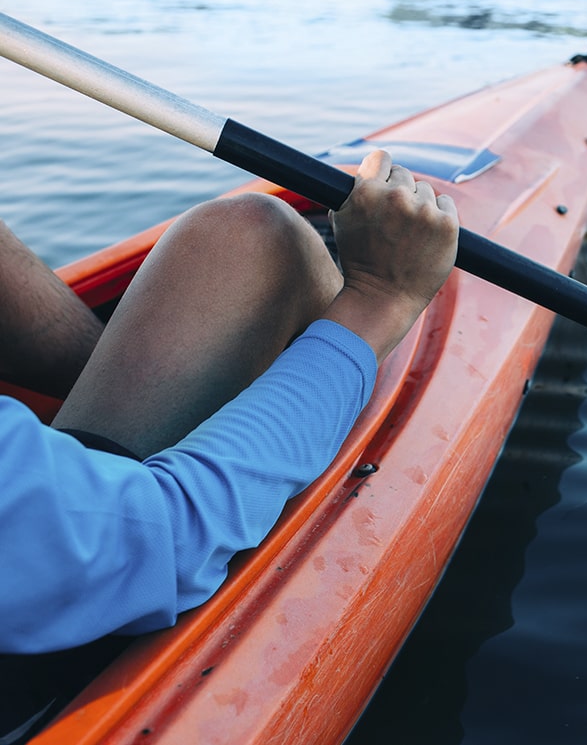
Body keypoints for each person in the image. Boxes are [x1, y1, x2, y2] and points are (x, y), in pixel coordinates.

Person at [0, 150, 459, 654]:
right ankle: (348, 380)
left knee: (242, 233)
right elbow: (163, 542)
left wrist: (148, 375)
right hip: (55, 652)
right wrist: (381, 297)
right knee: (262, 237)